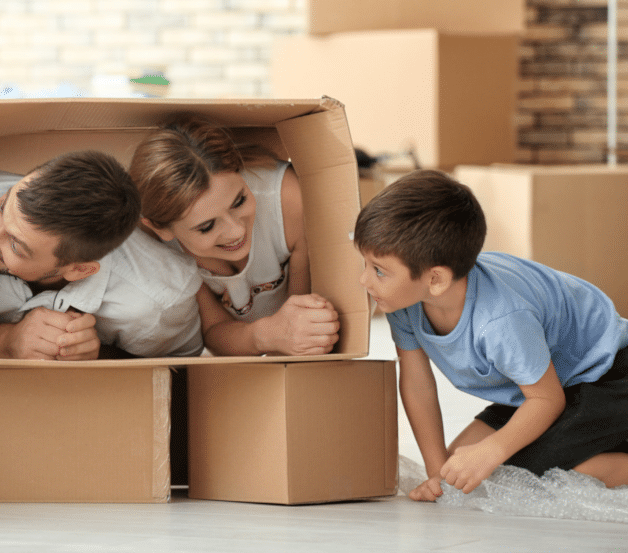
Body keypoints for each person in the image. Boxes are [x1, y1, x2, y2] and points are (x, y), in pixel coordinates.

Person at [355, 169, 628, 501]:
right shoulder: (403, 301)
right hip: (543, 382)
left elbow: (546, 400)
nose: (364, 281)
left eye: (379, 270)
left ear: (436, 279)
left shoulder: (501, 321)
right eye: (365, 264)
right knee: (458, 468)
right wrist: (436, 473)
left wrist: (493, 450)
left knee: (529, 474)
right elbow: (416, 382)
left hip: (609, 373)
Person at [0, 150, 204, 360]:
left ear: (78, 270)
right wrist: (1, 342)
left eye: (16, 246)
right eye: (2, 207)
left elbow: (182, 378)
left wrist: (97, 358)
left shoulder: (159, 301)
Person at [128, 116, 340, 356]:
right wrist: (267, 334)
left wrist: (295, 331)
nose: (236, 231)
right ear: (161, 228)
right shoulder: (155, 247)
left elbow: (304, 309)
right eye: (206, 226)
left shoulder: (288, 200)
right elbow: (214, 332)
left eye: (239, 201)